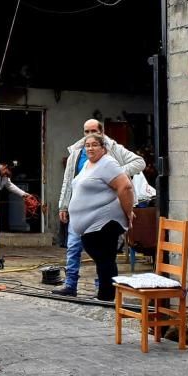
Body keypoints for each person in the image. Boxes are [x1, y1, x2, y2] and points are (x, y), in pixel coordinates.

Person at [52, 119, 144, 297]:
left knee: (104, 256)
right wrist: (63, 205)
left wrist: (117, 172)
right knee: (75, 249)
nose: (89, 141)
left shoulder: (111, 154)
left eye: (93, 133)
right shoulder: (79, 154)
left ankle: (104, 292)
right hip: (84, 219)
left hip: (102, 218)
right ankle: (73, 285)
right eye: (86, 133)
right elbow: (69, 182)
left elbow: (129, 179)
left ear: (102, 133)